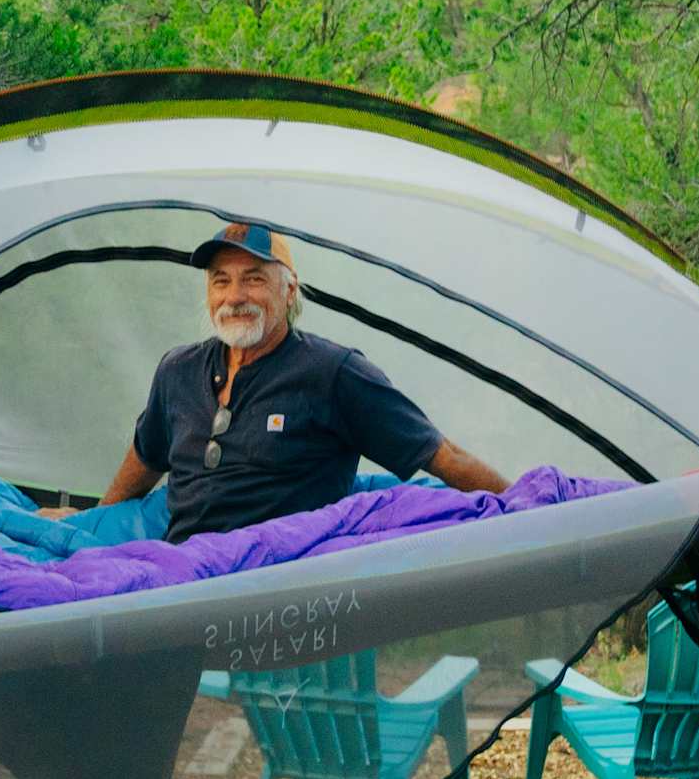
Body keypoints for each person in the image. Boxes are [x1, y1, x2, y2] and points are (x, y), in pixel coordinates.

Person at [80, 221, 507, 542]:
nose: (234, 297)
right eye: (220, 281)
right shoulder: (178, 370)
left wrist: (525, 507)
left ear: (288, 291)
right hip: (178, 572)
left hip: (273, 581)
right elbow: (145, 458)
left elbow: (442, 455)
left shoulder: (334, 373)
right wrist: (90, 526)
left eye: (254, 279)